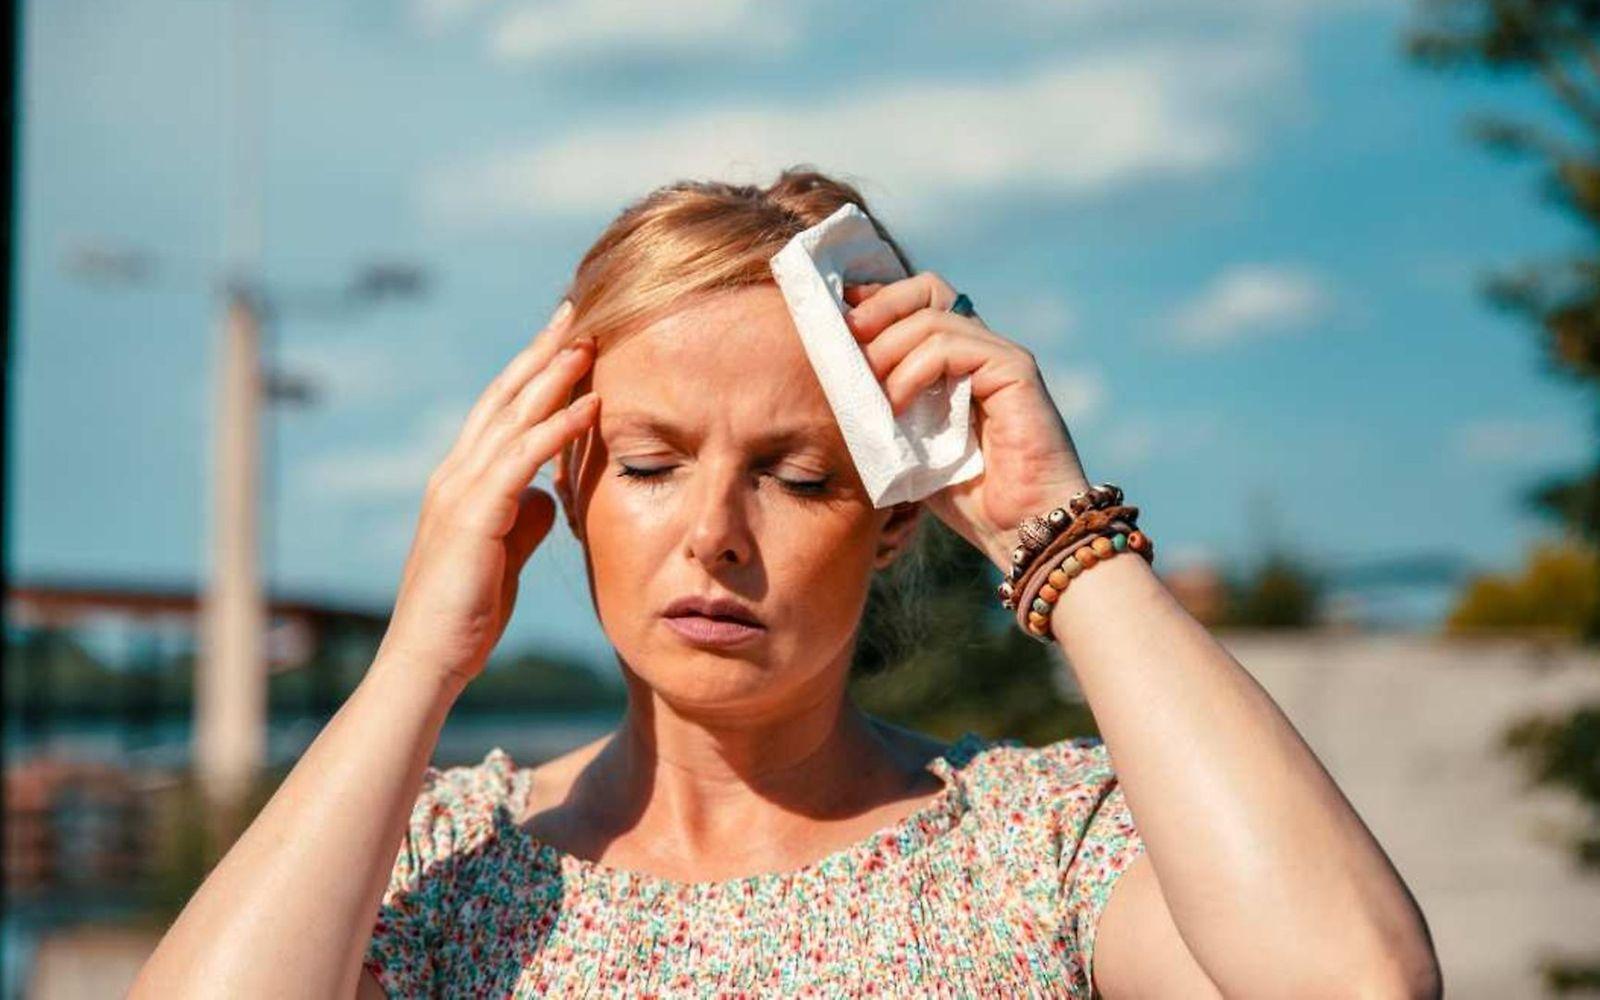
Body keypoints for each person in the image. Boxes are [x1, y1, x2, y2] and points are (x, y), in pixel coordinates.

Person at [130, 168, 1441, 998]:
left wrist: (1060, 532)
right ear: (565, 482)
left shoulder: (1039, 850)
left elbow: (1356, 983)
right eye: (648, 464)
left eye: (799, 477)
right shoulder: (431, 873)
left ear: (888, 522)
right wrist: (422, 654)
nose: (715, 533)